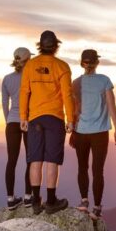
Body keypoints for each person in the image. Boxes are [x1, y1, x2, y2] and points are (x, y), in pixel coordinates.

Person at [19, 30, 75, 214]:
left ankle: (36, 201)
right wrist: (71, 119)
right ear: (56, 46)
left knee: (35, 159)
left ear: (40, 46)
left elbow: (24, 92)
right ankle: (51, 201)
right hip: (55, 118)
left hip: (34, 118)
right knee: (52, 160)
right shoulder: (62, 67)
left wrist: (23, 117)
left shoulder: (30, 66)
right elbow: (67, 94)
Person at [71, 49, 116, 220]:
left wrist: (71, 126)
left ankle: (84, 201)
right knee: (98, 170)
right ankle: (97, 207)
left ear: (82, 63)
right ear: (97, 63)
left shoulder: (76, 83)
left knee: (82, 167)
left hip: (81, 131)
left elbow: (74, 108)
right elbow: (112, 106)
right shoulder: (104, 81)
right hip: (99, 132)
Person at [1, 47, 33, 210]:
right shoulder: (31, 78)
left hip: (12, 122)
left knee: (11, 160)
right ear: (28, 60)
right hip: (28, 120)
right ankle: (28, 197)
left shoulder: (7, 79)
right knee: (30, 159)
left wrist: (9, 121)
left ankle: (10, 198)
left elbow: (5, 104)